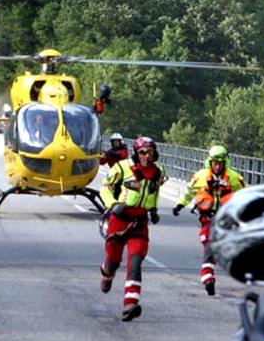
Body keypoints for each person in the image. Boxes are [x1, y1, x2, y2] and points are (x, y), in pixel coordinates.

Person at [99, 136, 167, 321]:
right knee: (113, 260)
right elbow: (104, 188)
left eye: (150, 152)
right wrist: (113, 204)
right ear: (136, 154)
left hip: (139, 222)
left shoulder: (158, 171)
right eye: (142, 153)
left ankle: (130, 303)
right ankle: (107, 272)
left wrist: (153, 210)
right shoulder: (121, 167)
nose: (146, 156)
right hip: (119, 219)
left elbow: (155, 192)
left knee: (135, 261)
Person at [172, 145, 245, 296]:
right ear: (209, 162)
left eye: (220, 163)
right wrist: (180, 204)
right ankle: (207, 277)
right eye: (214, 163)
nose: (217, 166)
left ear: (225, 163)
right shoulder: (200, 176)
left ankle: (209, 271)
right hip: (207, 216)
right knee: (208, 242)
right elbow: (189, 191)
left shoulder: (234, 178)